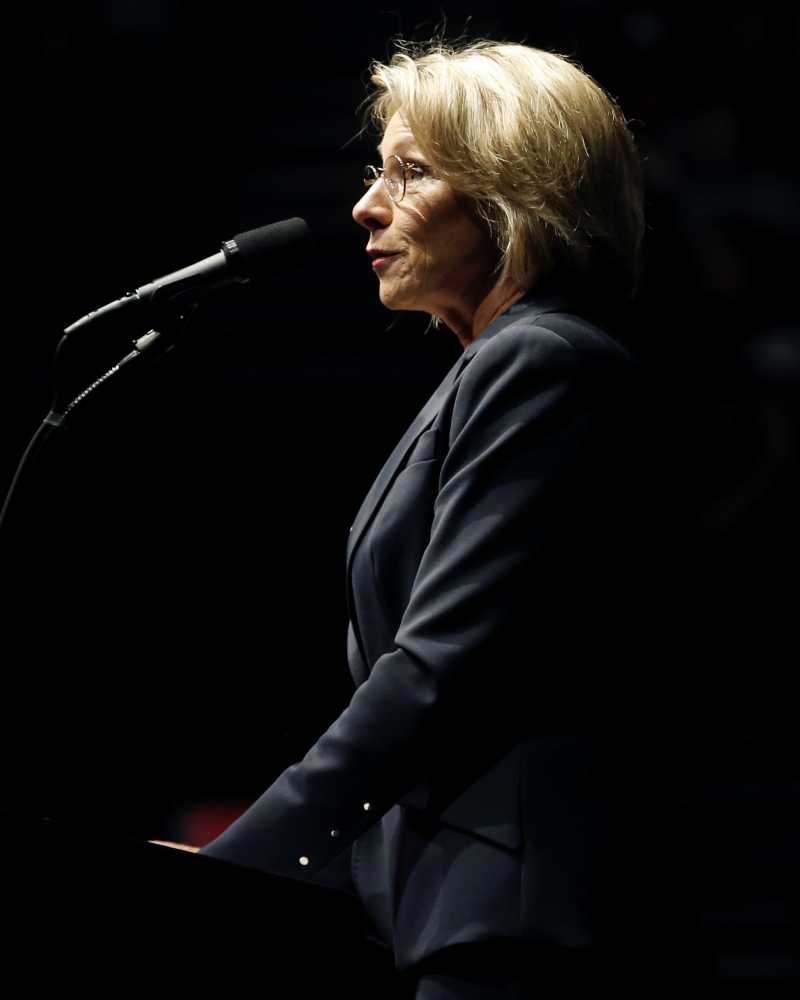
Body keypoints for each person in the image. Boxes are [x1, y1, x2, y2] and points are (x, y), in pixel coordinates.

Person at [192, 40, 659, 997]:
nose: (367, 204)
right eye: (378, 172)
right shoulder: (494, 366)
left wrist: (241, 859)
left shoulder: (543, 362)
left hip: (516, 917)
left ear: (514, 194)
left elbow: (439, 666)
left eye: (410, 173)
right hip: (449, 906)